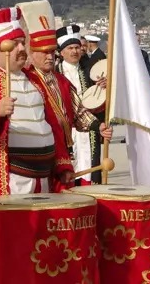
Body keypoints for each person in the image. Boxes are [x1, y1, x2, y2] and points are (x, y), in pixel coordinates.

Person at [0, 7, 74, 282]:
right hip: (6, 178)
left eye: (24, 43)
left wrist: (62, 164)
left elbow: (52, 127)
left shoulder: (34, 80)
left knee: (37, 244)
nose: (22, 49)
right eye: (16, 44)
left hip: (41, 178)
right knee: (3, 246)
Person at [19, 0, 113, 186]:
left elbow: (78, 112)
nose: (49, 56)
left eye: (51, 52)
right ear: (32, 53)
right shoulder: (25, 80)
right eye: (44, 52)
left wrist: (98, 126)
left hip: (61, 150)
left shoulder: (61, 81)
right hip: (34, 153)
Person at [56, 25, 106, 185]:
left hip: (88, 128)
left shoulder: (89, 70)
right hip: (66, 130)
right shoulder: (55, 72)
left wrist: (104, 88)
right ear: (62, 51)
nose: (74, 51)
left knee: (90, 165)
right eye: (70, 48)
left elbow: (100, 101)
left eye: (77, 47)